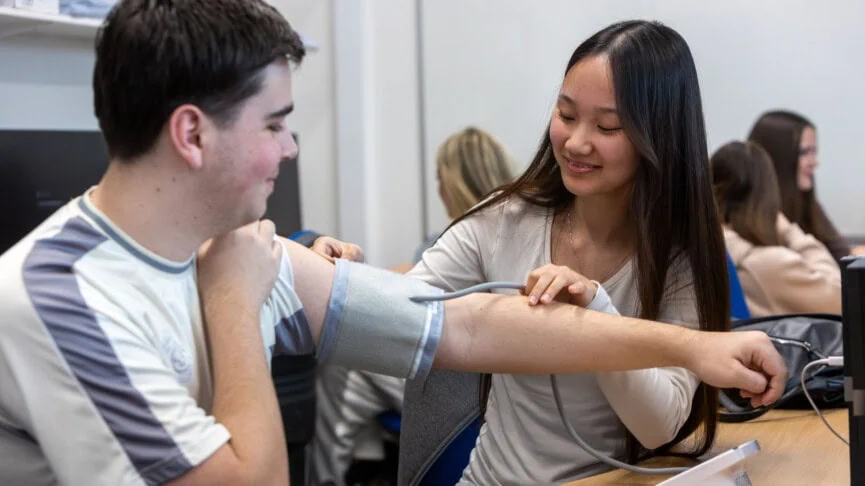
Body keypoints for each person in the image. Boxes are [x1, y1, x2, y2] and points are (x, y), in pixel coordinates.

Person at [0, 3, 786, 485]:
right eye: (275, 124)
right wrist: (237, 307)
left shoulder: (232, 249)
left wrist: (691, 349)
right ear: (192, 133)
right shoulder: (63, 297)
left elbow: (466, 322)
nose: (292, 149)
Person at [325, 20, 739, 484]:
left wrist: (596, 313)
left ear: (658, 138)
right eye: (565, 115)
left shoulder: (679, 258)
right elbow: (403, 313)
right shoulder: (503, 220)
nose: (577, 142)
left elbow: (659, 424)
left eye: (607, 126)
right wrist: (346, 274)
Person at [312, 126, 516, 486]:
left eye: (440, 179)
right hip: (475, 372)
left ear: (450, 183)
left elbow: (414, 293)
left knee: (343, 361)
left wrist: (342, 281)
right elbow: (412, 277)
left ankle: (328, 477)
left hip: (469, 376)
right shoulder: (484, 231)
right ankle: (362, 467)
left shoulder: (479, 233)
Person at [711, 141, 841, 317]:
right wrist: (791, 232)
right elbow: (840, 297)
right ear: (767, 194)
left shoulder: (707, 251)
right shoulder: (768, 263)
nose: (814, 162)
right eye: (805, 152)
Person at [748, 110, 865, 260]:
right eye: (804, 152)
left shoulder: (806, 203)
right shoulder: (762, 226)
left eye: (813, 152)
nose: (814, 162)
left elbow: (842, 254)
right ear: (779, 157)